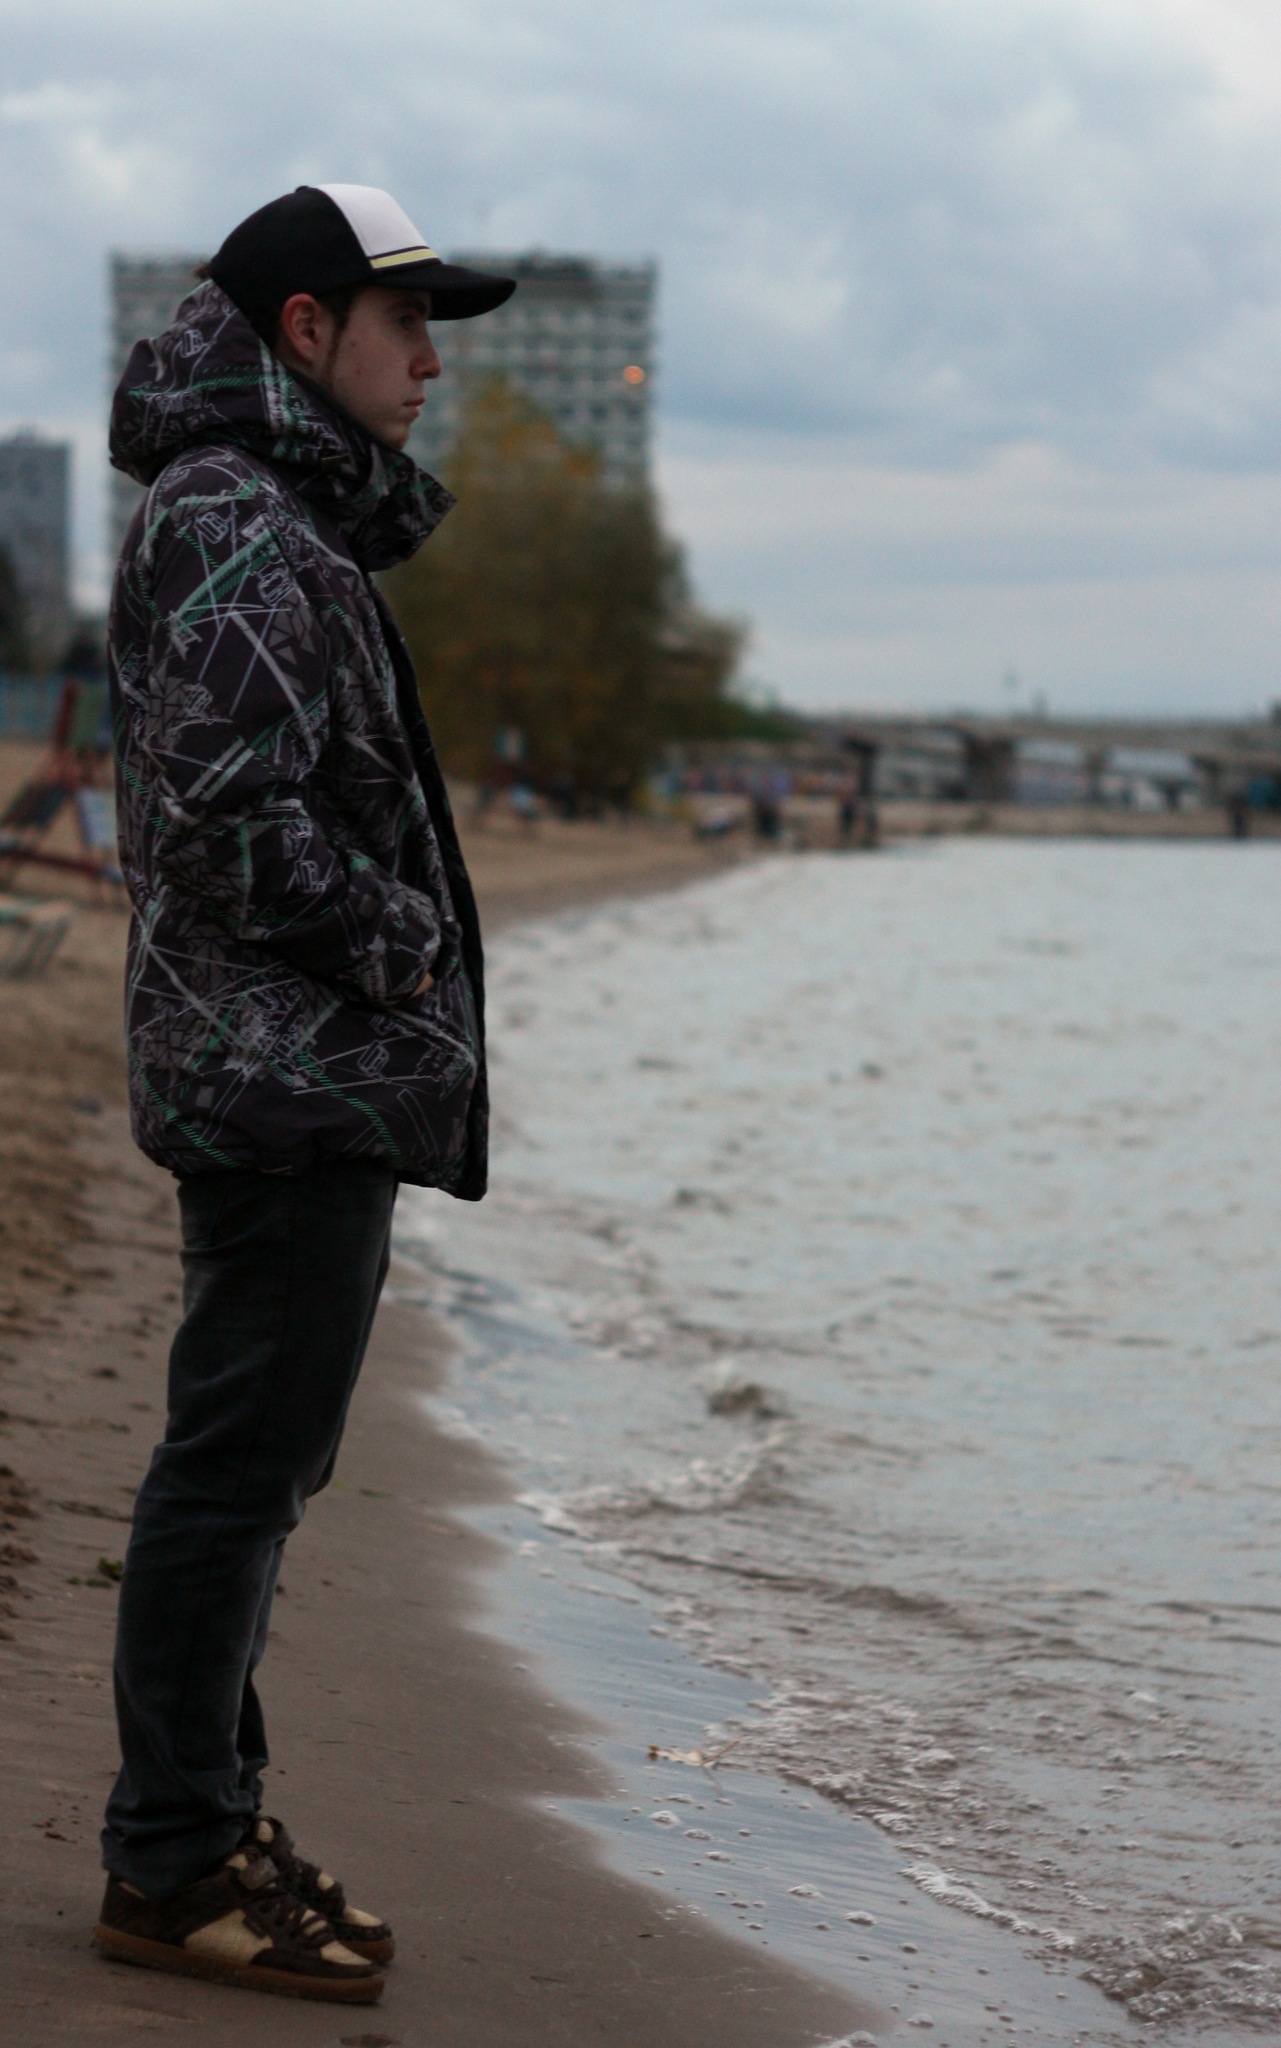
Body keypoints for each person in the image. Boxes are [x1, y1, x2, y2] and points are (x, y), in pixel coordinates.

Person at [92, 184, 515, 2005]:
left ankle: (204, 1826)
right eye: (404, 325)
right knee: (234, 1474)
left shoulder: (266, 513)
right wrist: (404, 945)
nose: (431, 364)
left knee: (254, 1467)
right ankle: (176, 1857)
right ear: (302, 329)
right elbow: (225, 817)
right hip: (282, 1070)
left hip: (291, 1065)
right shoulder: (231, 518)